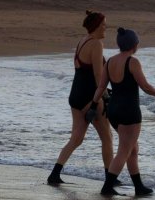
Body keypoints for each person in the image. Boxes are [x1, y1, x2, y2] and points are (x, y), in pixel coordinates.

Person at [47, 10, 114, 185]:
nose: (106, 27)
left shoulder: (82, 42)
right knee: (107, 138)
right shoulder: (97, 44)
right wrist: (104, 96)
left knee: (76, 139)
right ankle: (110, 179)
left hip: (75, 95)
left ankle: (54, 174)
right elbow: (98, 76)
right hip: (89, 97)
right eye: (104, 24)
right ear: (97, 26)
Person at [101, 27, 155, 196]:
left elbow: (101, 87)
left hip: (113, 110)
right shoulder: (132, 62)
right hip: (129, 111)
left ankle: (139, 187)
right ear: (134, 44)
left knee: (133, 149)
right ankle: (107, 187)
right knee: (124, 150)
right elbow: (145, 86)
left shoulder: (110, 62)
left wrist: (95, 104)